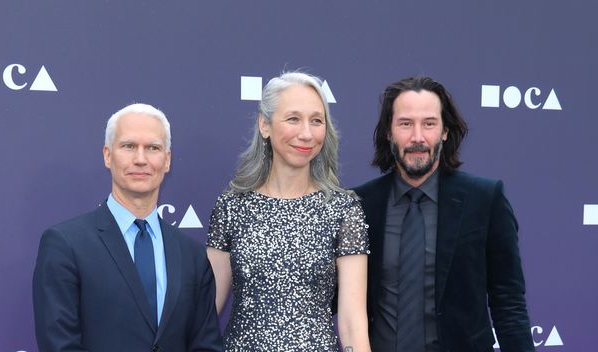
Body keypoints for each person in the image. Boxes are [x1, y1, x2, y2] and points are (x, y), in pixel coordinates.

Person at [354, 76, 534, 352]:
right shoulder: (360, 203)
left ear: (445, 132)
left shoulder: (485, 199)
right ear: (389, 132)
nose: (417, 137)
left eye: (429, 123)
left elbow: (508, 301)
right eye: (405, 124)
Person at [32, 103, 223, 352]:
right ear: (108, 155)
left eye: (153, 148)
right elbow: (59, 345)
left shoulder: (192, 255)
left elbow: (205, 344)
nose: (140, 159)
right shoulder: (65, 244)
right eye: (129, 146)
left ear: (167, 160)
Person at [206, 71, 371, 351]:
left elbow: (352, 323)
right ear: (265, 125)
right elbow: (207, 312)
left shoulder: (343, 209)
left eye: (316, 121)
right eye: (293, 119)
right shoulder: (232, 207)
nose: (306, 133)